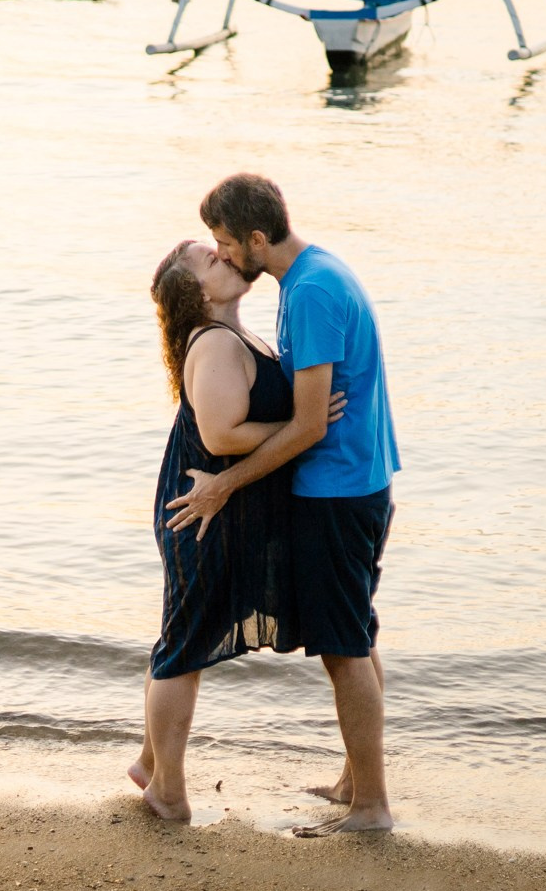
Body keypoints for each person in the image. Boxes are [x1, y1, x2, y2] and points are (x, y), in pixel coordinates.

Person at [167, 172, 400, 836]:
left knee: (342, 645)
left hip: (339, 488)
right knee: (351, 632)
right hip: (355, 480)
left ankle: (371, 807)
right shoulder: (316, 275)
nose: (223, 255)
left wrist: (222, 484)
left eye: (225, 242)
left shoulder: (313, 292)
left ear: (257, 238)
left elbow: (308, 426)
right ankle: (357, 781)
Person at [130, 238, 346, 821]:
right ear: (197, 292)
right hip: (204, 513)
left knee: (187, 632)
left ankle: (152, 763)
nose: (225, 258)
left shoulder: (235, 337)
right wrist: (302, 423)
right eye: (210, 259)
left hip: (219, 508)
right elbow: (222, 435)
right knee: (185, 643)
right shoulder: (217, 344)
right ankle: (167, 793)